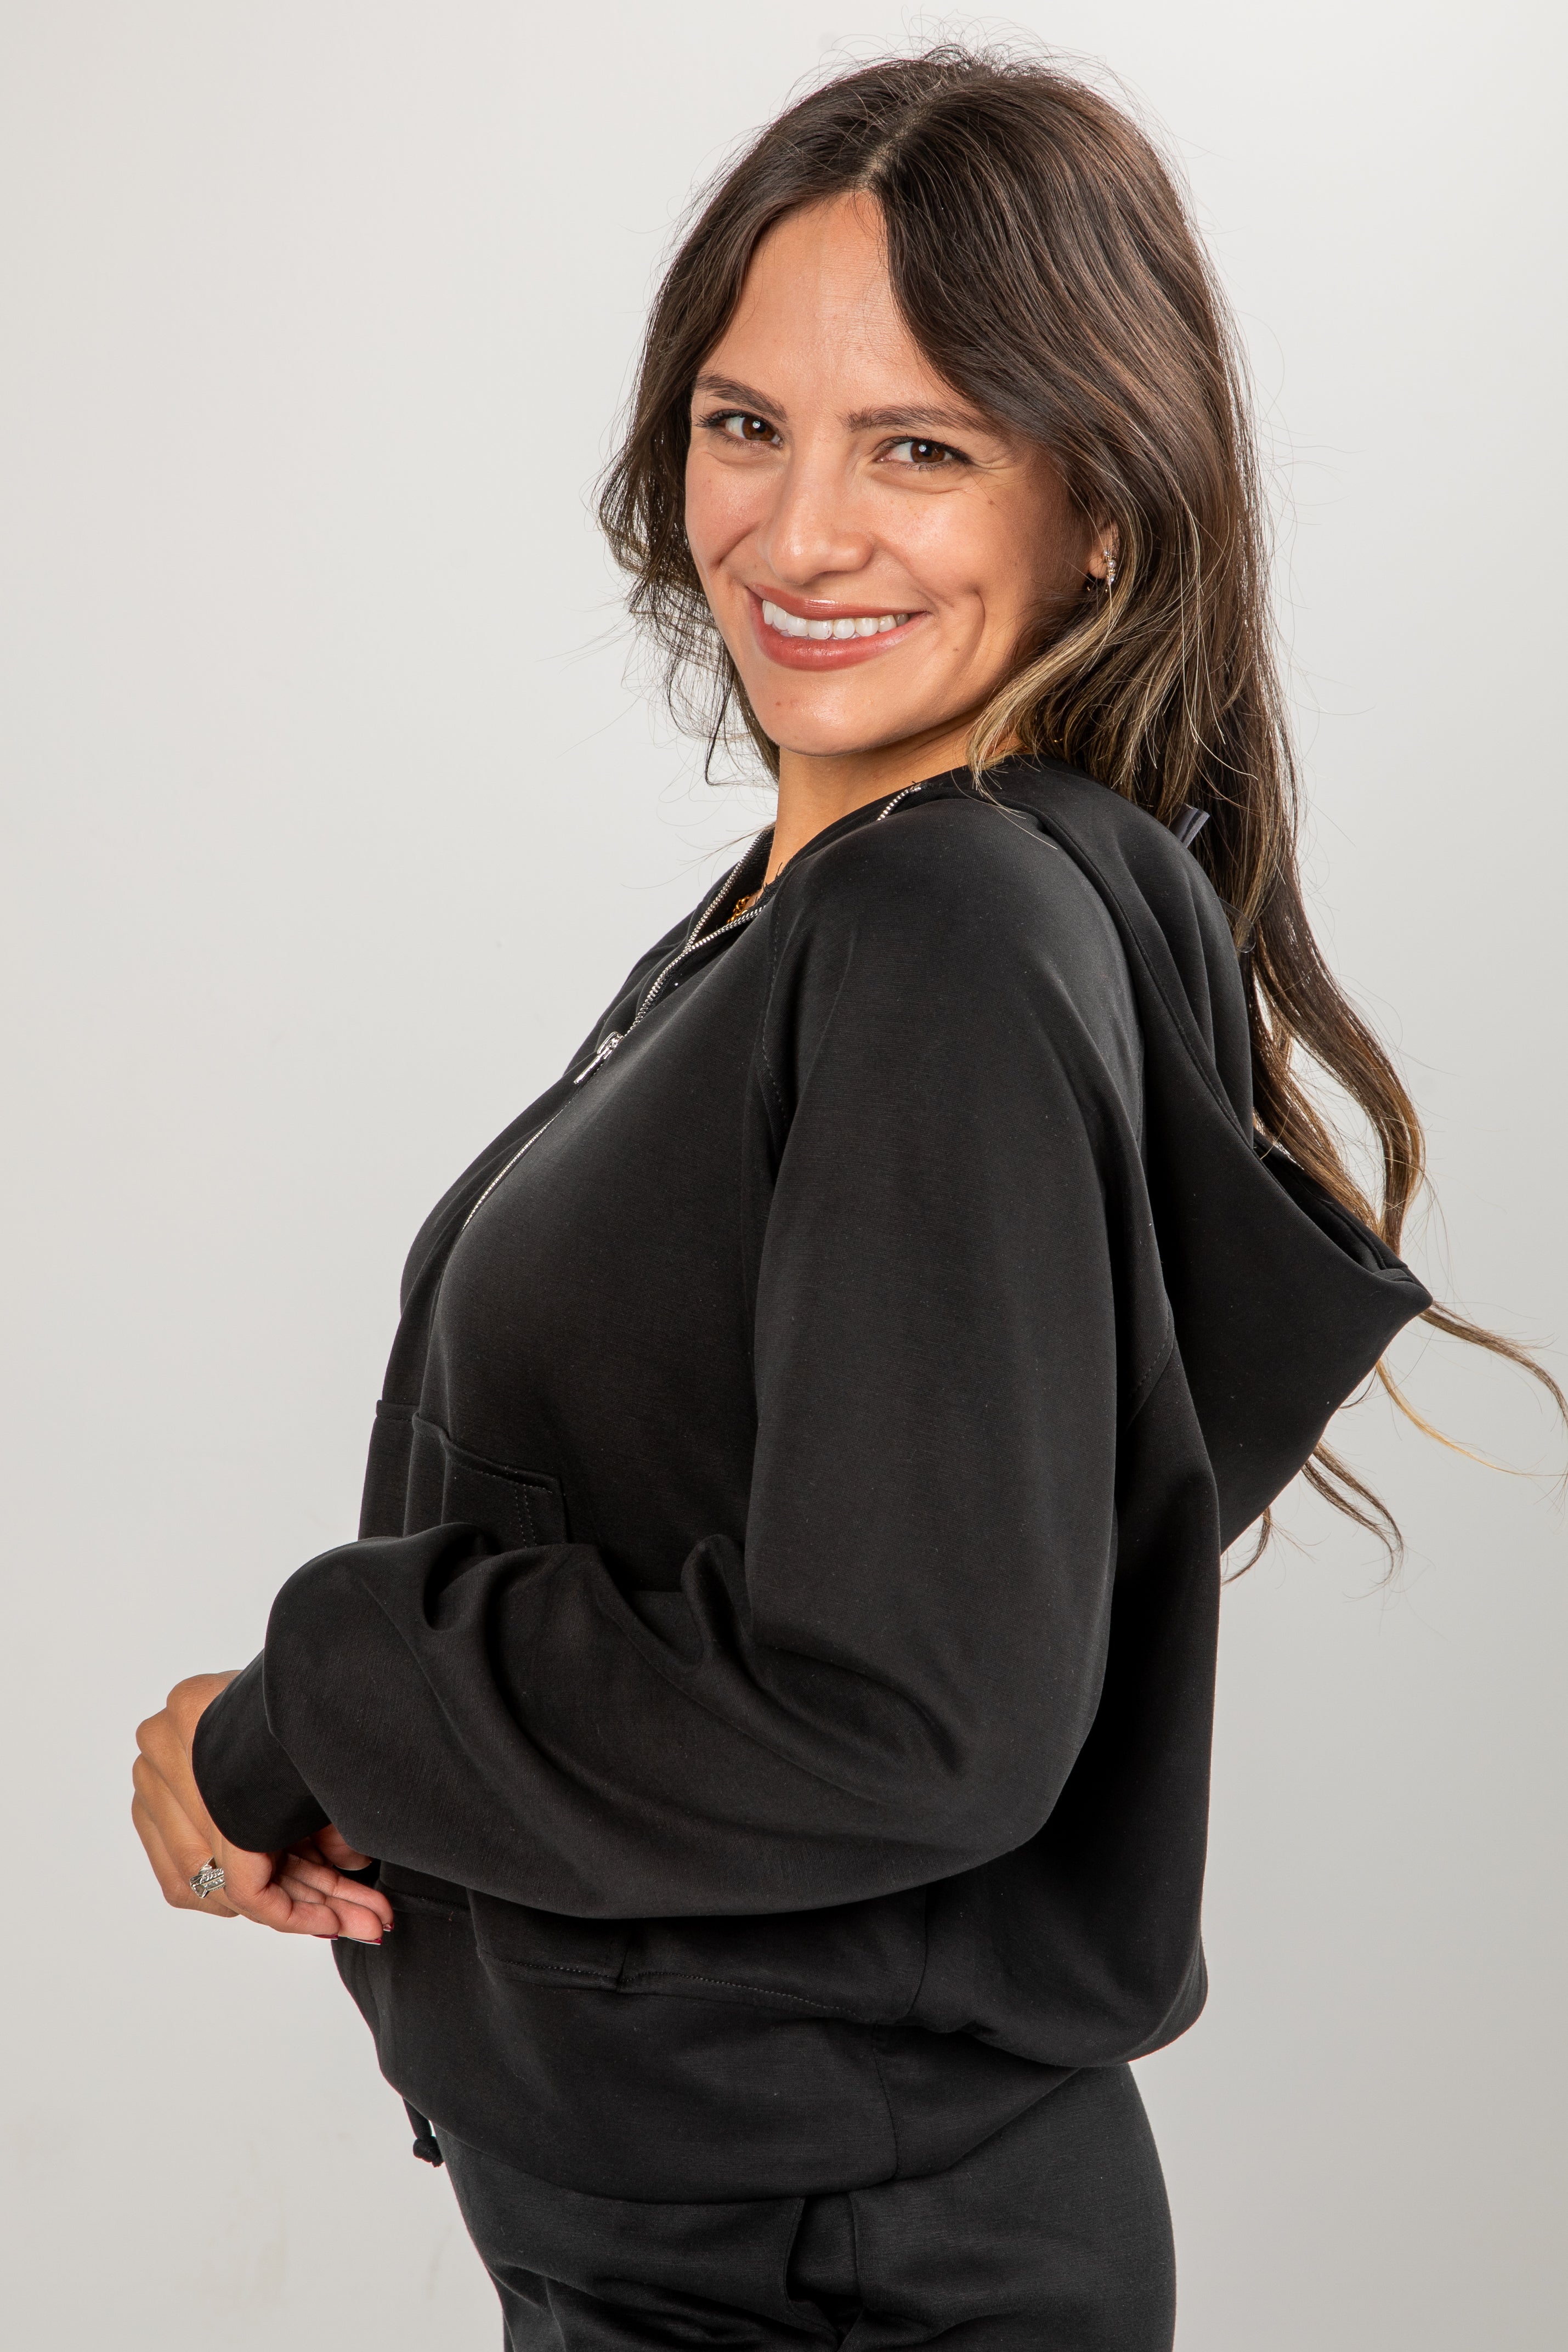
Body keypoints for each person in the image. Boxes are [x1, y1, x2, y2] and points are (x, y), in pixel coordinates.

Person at [128, 48, 1554, 2350]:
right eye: (743, 424)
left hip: (824, 2283)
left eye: (921, 445)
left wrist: (315, 1694)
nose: (797, 535)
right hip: (739, 2245)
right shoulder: (834, 912)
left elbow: (909, 1713)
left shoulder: (941, 940)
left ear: (1099, 506)